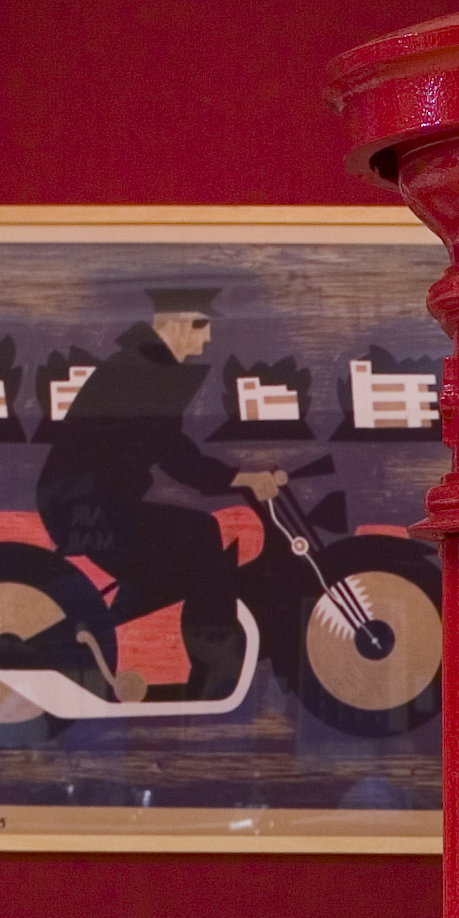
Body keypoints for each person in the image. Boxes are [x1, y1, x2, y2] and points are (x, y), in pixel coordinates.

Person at [34, 286, 288, 700]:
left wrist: (241, 477)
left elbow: (170, 451)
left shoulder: (141, 367)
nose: (206, 338)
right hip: (85, 510)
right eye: (199, 325)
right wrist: (243, 478)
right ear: (170, 324)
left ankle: (121, 628)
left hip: (91, 504)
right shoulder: (142, 373)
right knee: (201, 535)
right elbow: (176, 457)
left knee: (181, 554)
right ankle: (212, 676)